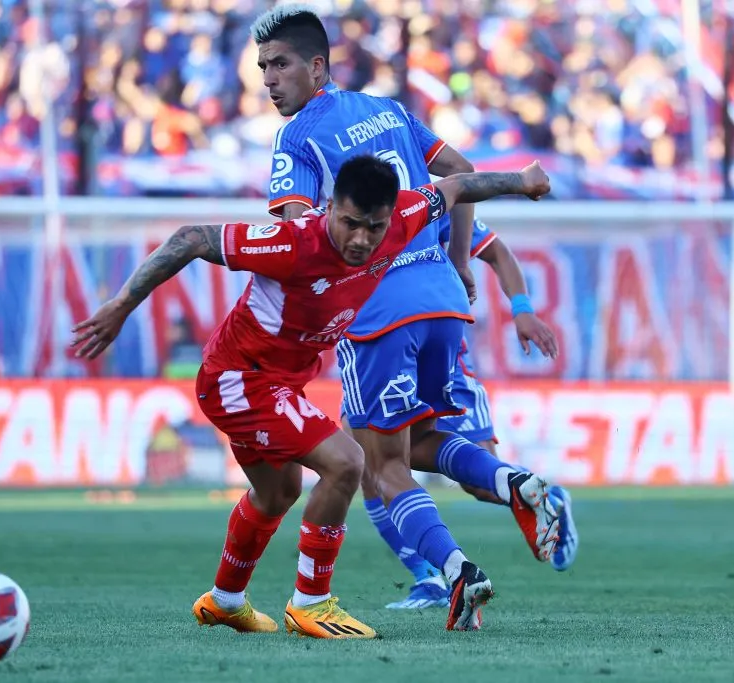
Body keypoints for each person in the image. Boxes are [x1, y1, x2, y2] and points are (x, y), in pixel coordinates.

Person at [71, 155, 552, 638]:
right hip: (240, 379)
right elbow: (190, 238)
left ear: (390, 217)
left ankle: (225, 600)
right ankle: (311, 603)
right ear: (330, 208)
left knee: (277, 492)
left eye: (373, 227)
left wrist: (522, 180)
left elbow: (459, 184)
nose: (361, 239)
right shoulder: (292, 243)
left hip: (279, 383)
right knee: (347, 461)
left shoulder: (406, 217)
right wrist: (120, 306)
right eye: (349, 223)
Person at [251, 3, 565, 621]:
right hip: (443, 300)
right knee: (419, 442)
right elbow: (463, 174)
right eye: (263, 68)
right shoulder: (389, 111)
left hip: (377, 309)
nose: (269, 79)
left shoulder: (296, 136)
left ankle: (454, 571)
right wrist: (458, 262)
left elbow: (297, 231)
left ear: (318, 68)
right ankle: (513, 483)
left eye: (280, 64)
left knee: (379, 463)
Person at [367, 218, 579, 609]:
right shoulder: (357, 206)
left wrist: (522, 309)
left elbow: (497, 251)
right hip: (383, 349)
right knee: (368, 460)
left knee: (477, 485)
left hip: (446, 366)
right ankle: (428, 578)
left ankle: (550, 499)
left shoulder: (431, 204)